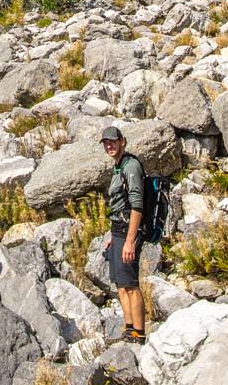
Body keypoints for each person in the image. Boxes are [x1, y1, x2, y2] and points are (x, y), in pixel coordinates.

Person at [100, 125, 146, 343]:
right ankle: (129, 328)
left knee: (131, 283)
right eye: (106, 143)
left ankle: (139, 332)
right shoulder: (118, 167)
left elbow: (137, 205)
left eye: (112, 141)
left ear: (122, 141)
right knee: (119, 282)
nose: (109, 145)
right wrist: (114, 238)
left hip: (128, 231)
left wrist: (129, 241)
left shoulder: (131, 166)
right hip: (117, 230)